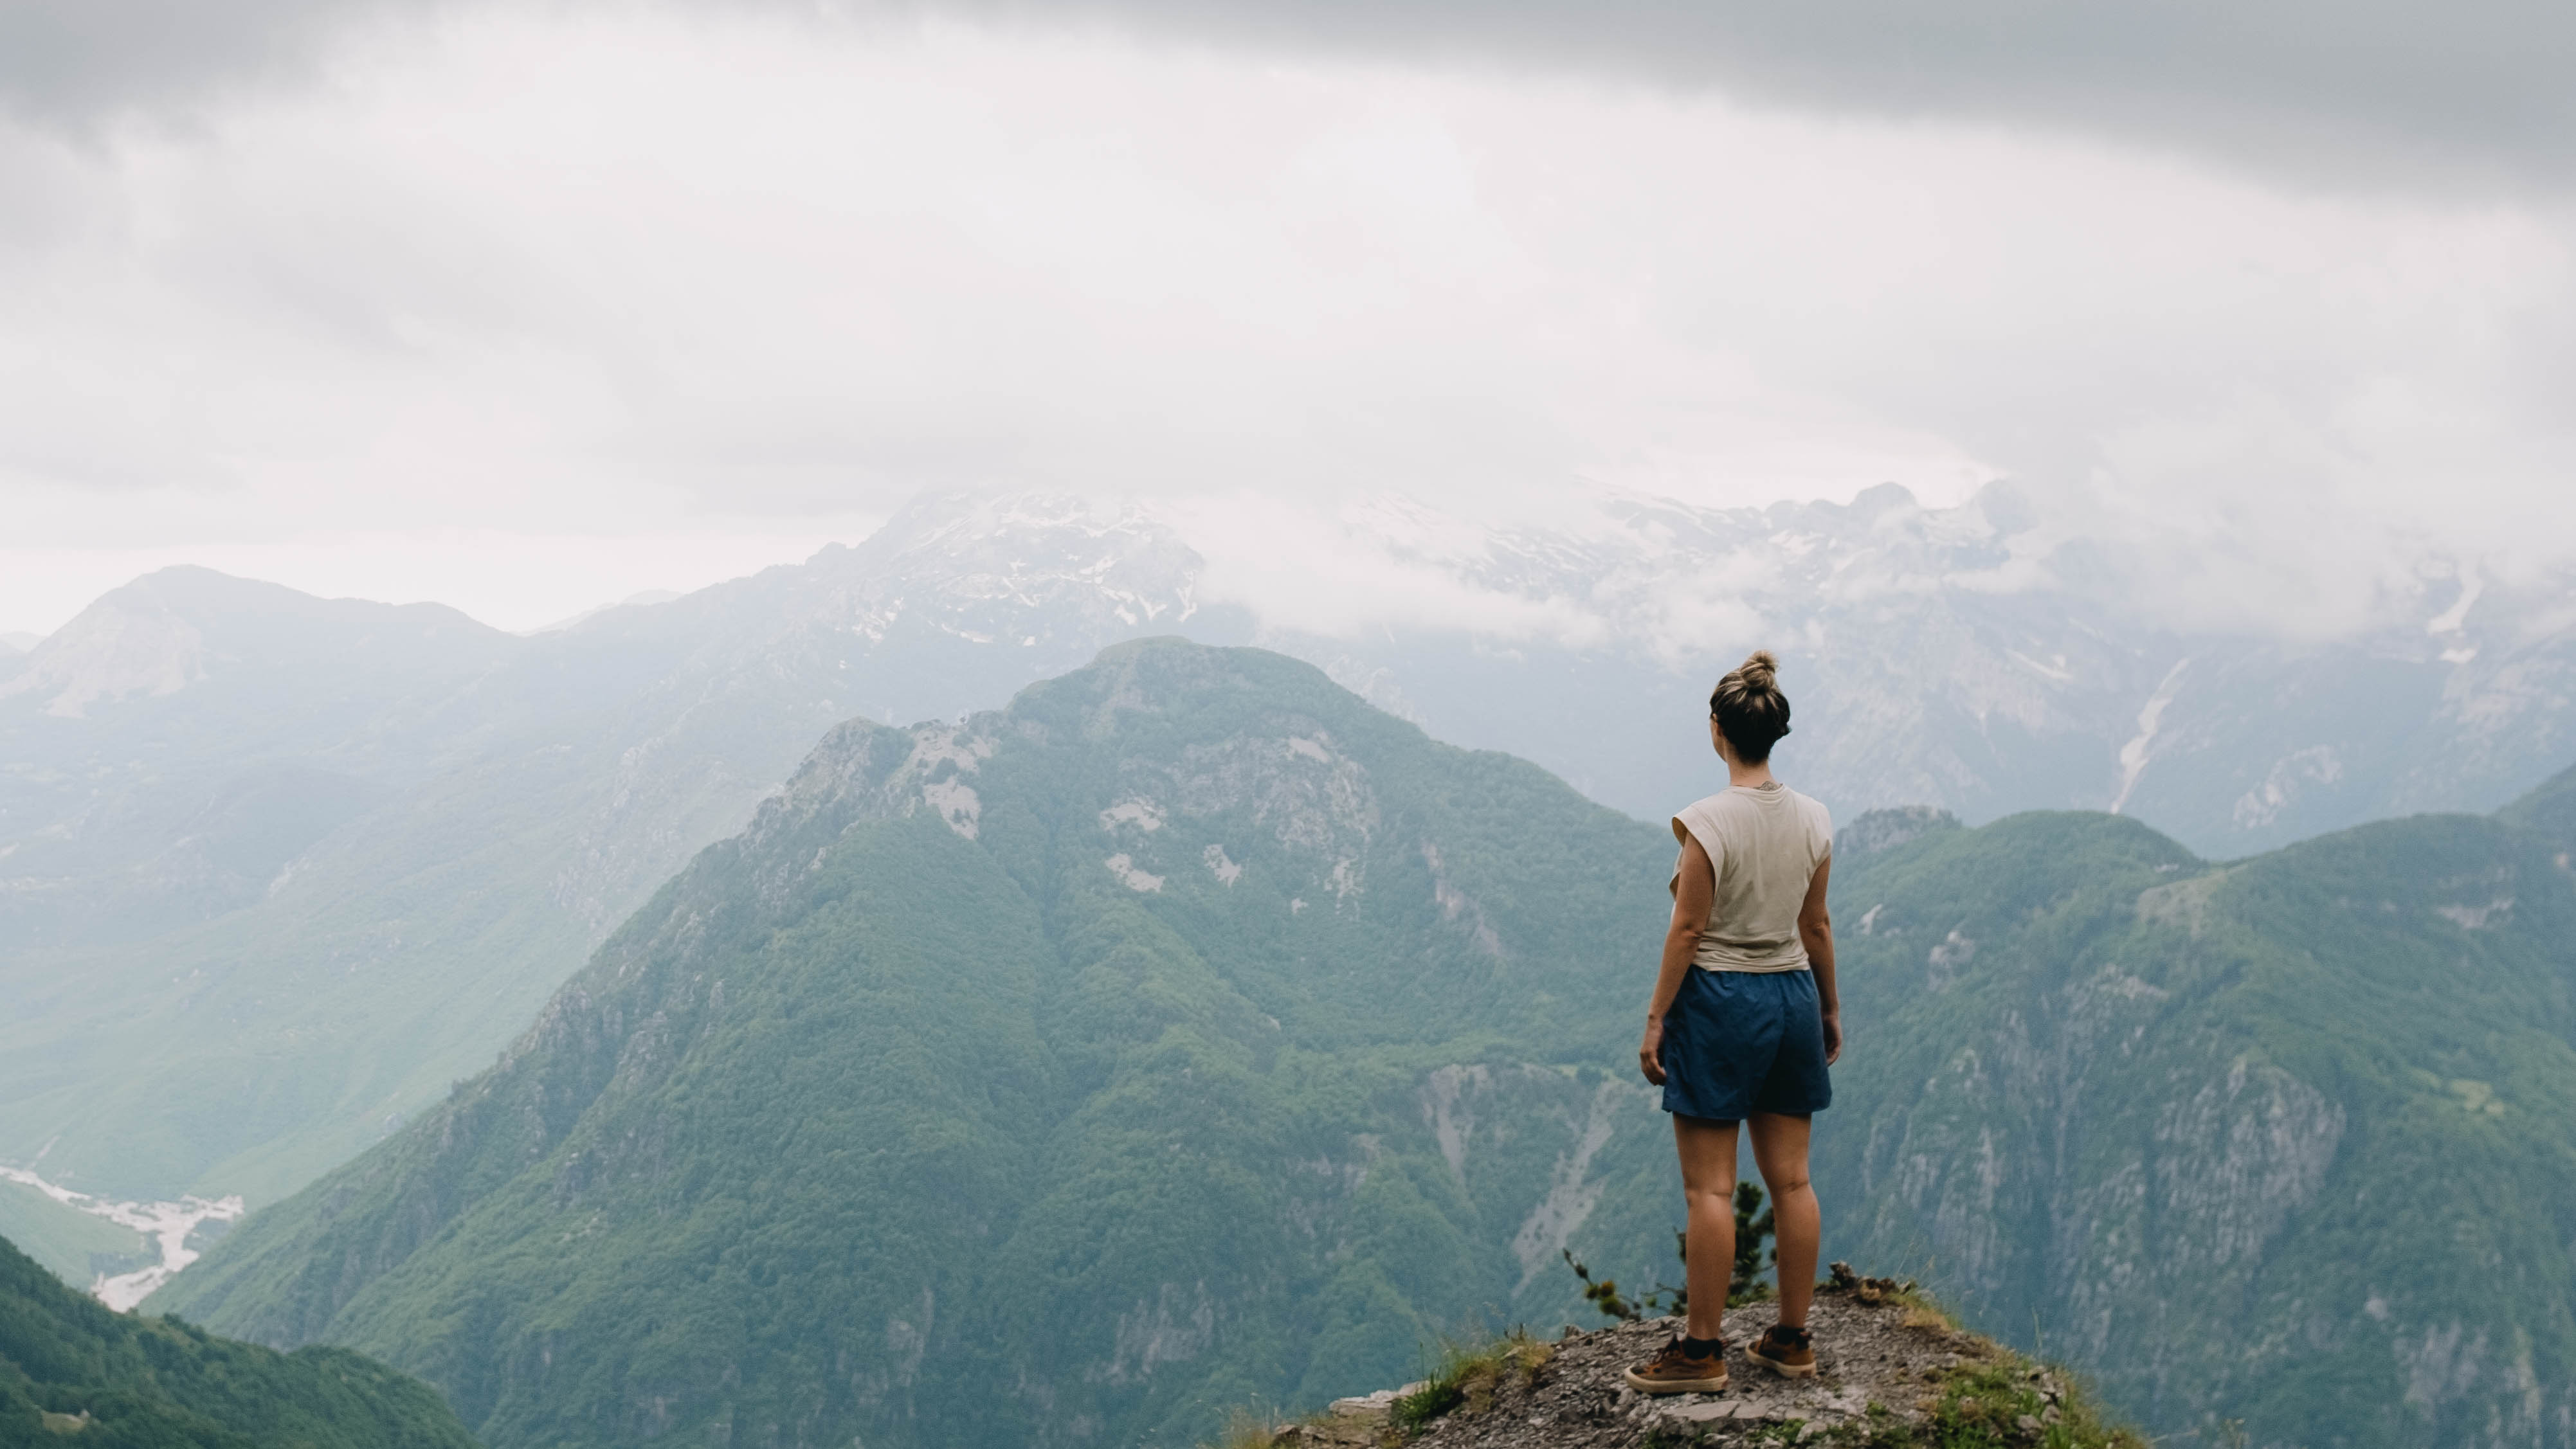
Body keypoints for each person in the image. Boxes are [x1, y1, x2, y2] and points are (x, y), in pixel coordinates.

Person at [1623, 651, 1840, 1396]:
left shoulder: (1706, 823)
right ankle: (1790, 1337)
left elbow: (1686, 933)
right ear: (1774, 732)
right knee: (1793, 1179)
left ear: (1717, 730)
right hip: (1791, 998)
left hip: (1719, 1002)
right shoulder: (1813, 818)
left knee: (1711, 1191)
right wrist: (1830, 1008)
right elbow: (1816, 926)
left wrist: (1656, 1020)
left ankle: (1702, 1351)